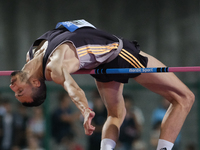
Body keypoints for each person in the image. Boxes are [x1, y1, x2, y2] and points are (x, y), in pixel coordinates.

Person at [9, 19, 195, 150]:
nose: (13, 88)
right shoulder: (54, 66)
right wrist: (84, 110)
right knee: (185, 97)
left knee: (115, 115)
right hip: (118, 54)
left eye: (17, 92)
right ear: (34, 82)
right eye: (20, 92)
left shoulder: (31, 55)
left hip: (102, 63)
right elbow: (72, 88)